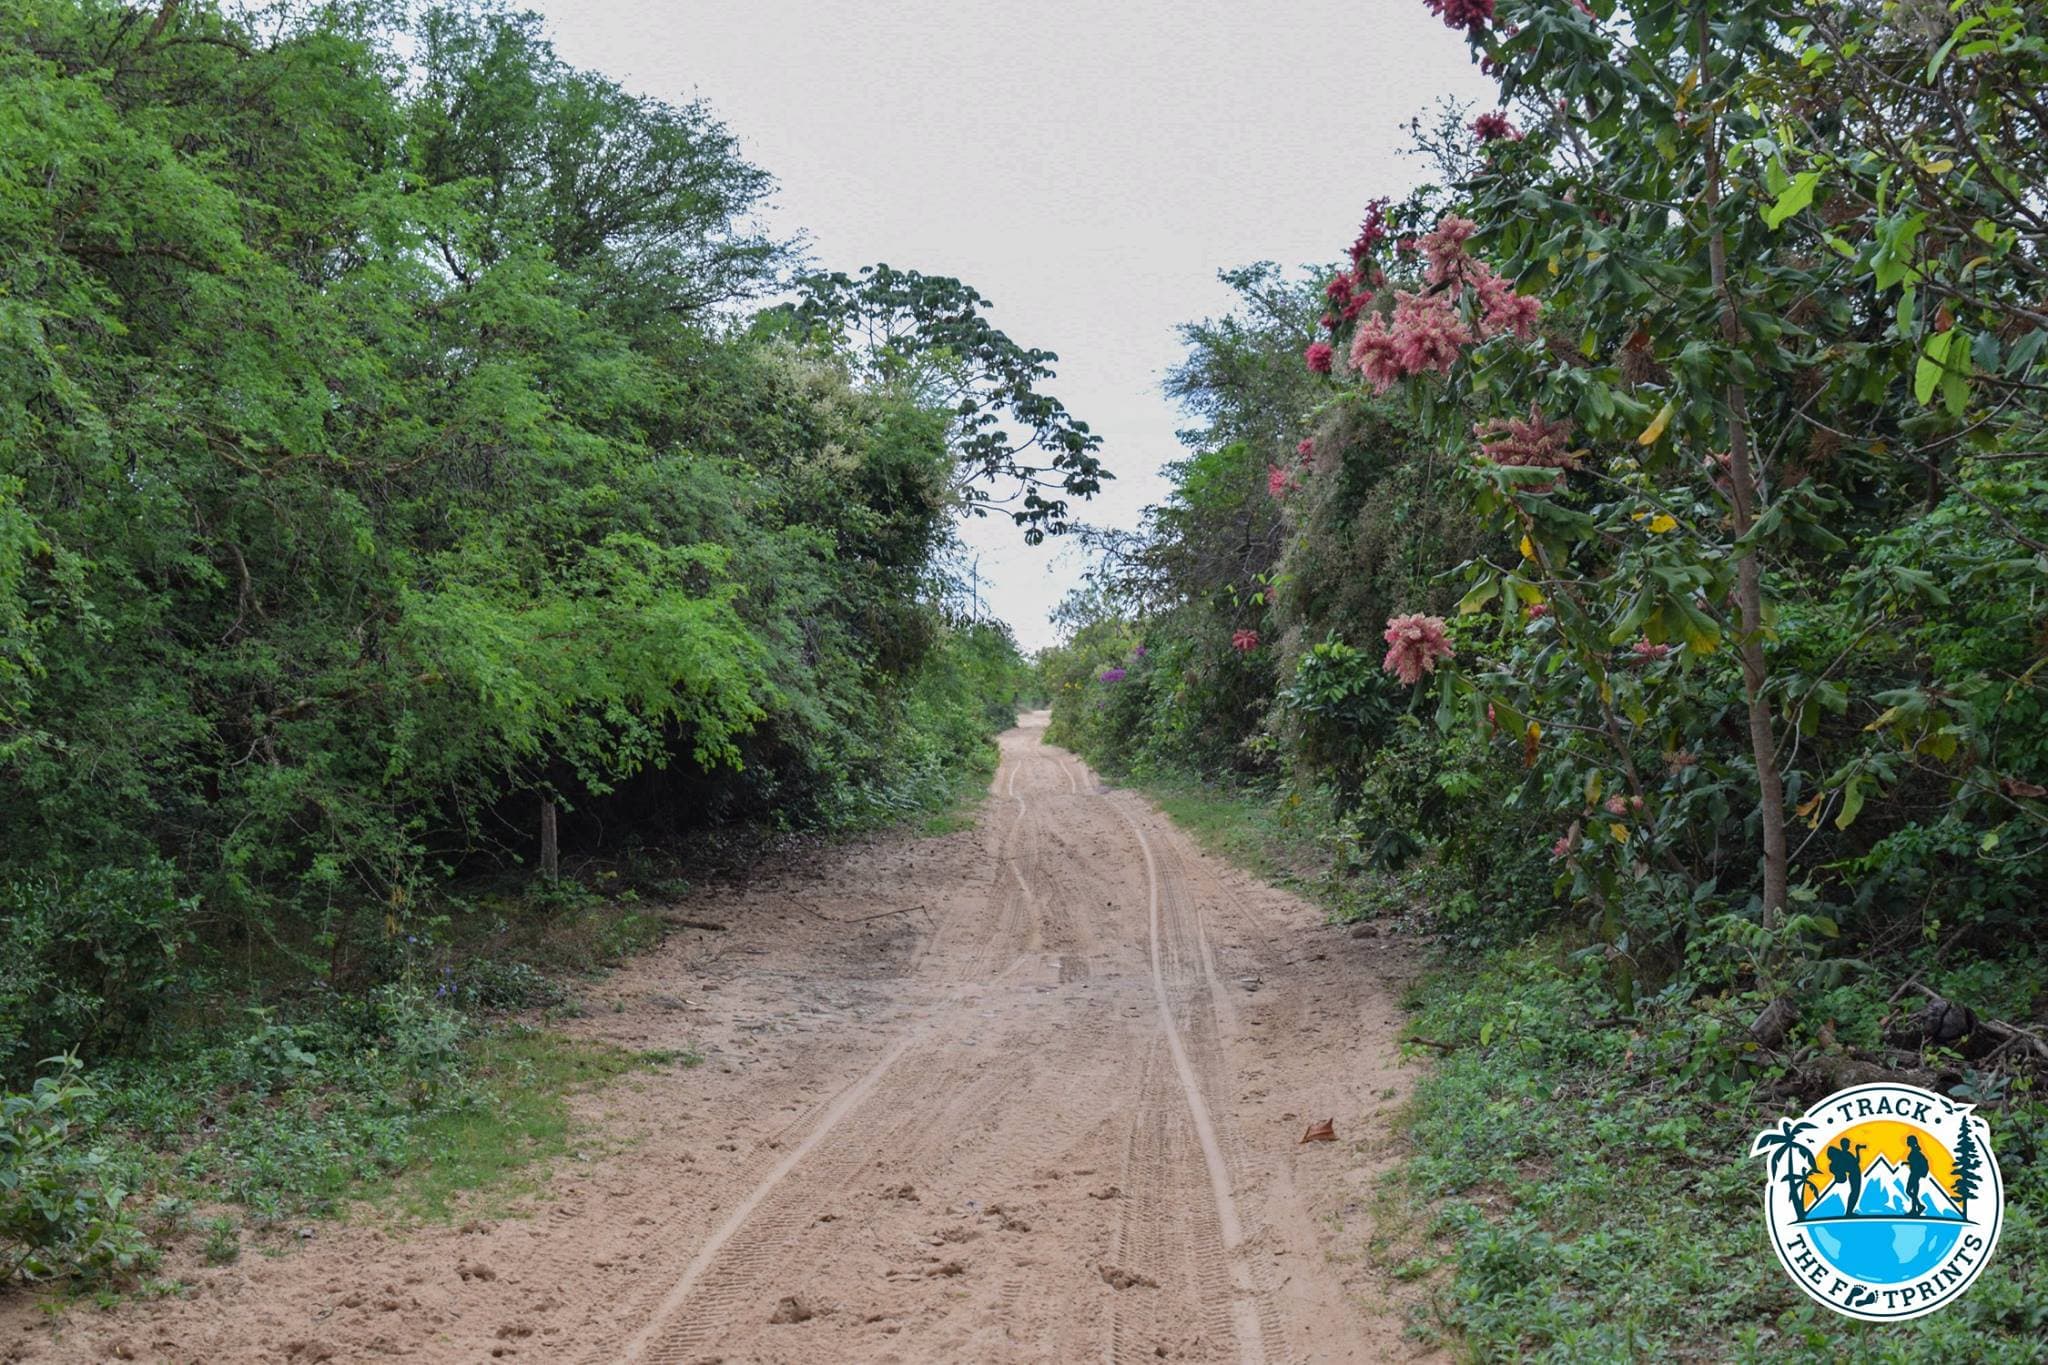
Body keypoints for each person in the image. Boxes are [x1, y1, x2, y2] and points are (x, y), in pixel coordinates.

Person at [1824, 1137, 1863, 1216]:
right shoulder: (1845, 1154)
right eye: (1848, 1144)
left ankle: (1849, 1211)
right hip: (1854, 1174)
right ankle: (1849, 1212)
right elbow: (1856, 1162)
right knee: (1855, 1193)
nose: (1849, 1145)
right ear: (1844, 1145)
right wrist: (1857, 1150)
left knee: (1854, 1193)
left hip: (1854, 1174)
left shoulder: (1844, 1154)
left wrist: (1857, 1150)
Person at [1904, 1135, 1930, 1217]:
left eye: (1908, 1141)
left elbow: (1915, 1163)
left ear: (1911, 1142)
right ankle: (1917, 1208)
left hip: (1915, 1174)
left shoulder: (1915, 1152)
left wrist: (1909, 1163)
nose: (1907, 1142)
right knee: (1913, 1192)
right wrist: (1906, 1163)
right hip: (1915, 1174)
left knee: (1909, 1191)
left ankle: (1916, 1208)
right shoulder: (1914, 1151)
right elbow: (1914, 1162)